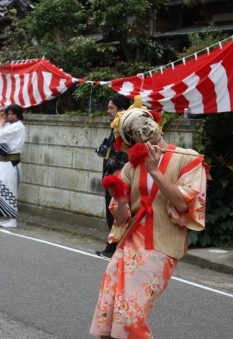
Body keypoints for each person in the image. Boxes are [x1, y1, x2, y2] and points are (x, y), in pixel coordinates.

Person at [90, 107, 207, 339]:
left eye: (144, 121)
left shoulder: (188, 158)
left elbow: (184, 204)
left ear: (155, 121)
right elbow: (120, 217)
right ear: (132, 140)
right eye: (134, 130)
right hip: (129, 243)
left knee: (131, 316)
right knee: (110, 310)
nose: (144, 129)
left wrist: (155, 171)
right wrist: (122, 199)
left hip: (160, 246)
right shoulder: (131, 167)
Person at [95, 94, 131, 258]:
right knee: (112, 212)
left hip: (117, 175)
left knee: (115, 212)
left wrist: (117, 175)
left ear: (121, 109)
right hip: (111, 174)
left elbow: (122, 153)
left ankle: (113, 248)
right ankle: (113, 247)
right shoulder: (116, 126)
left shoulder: (125, 128)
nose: (108, 111)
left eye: (111, 108)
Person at [0, 104, 26, 228]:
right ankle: (9, 218)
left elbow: (1, 137)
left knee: (10, 190)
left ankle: (13, 219)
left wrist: (0, 125)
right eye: (8, 114)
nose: (8, 116)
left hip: (11, 163)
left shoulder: (18, 126)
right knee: (2, 189)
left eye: (11, 114)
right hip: (4, 163)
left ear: (18, 114)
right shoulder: (10, 126)